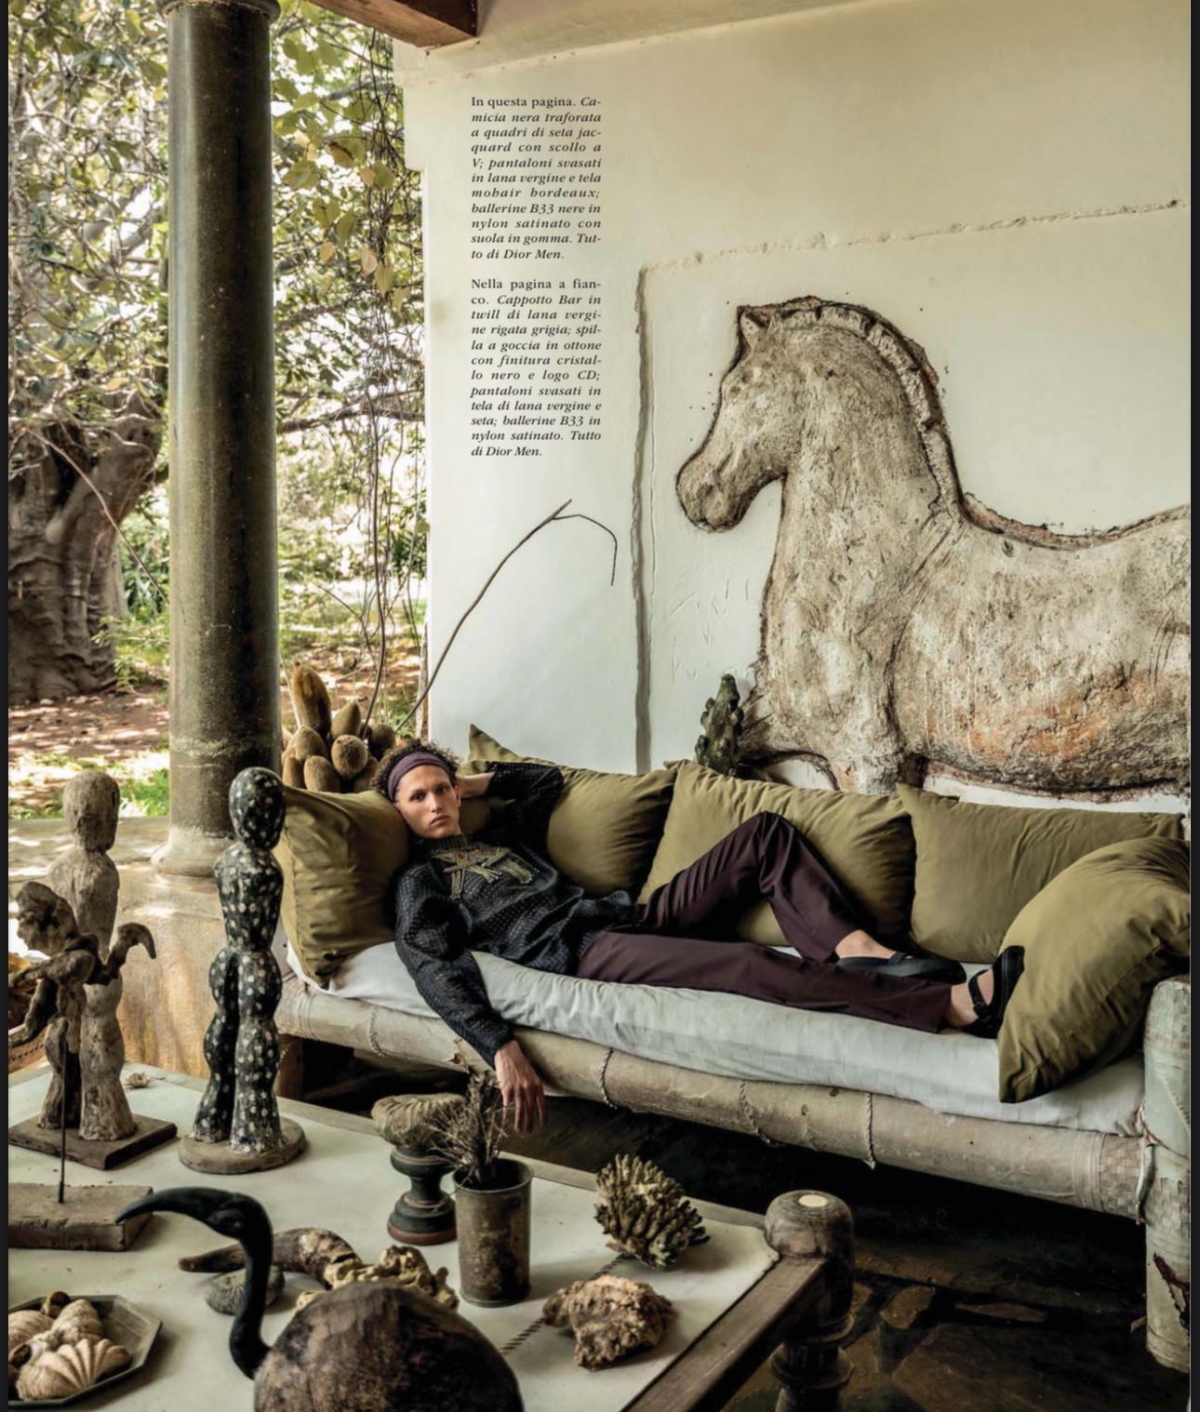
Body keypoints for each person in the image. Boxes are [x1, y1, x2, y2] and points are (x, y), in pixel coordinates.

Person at [377, 742, 1025, 1134]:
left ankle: (858, 951)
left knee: (764, 833)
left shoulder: (498, 833)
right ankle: (947, 1006)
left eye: (441, 790)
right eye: (417, 798)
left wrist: (466, 780)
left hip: (625, 916)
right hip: (582, 952)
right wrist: (498, 1046)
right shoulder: (419, 882)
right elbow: (433, 965)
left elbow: (544, 782)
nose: (435, 804)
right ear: (396, 811)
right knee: (749, 963)